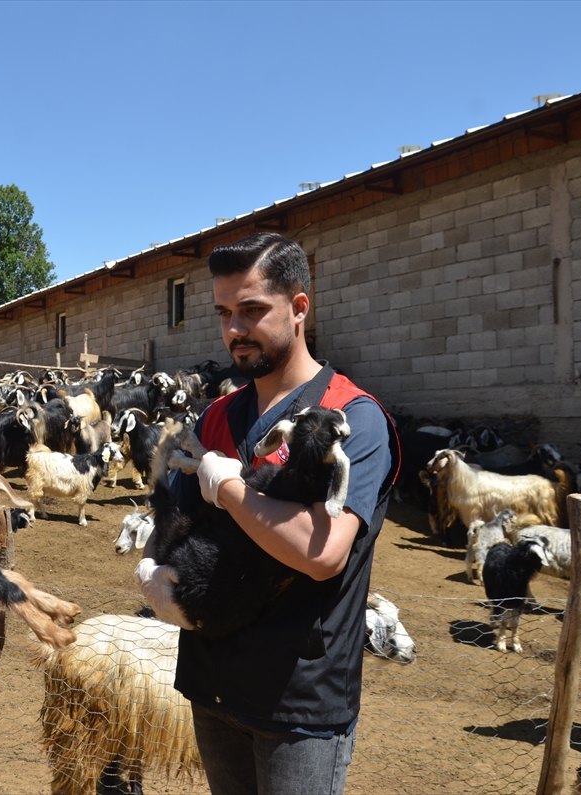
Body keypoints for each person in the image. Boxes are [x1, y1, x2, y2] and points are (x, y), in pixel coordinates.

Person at [136, 232, 399, 795]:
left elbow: (321, 552)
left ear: (299, 307)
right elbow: (176, 519)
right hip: (212, 681)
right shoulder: (216, 417)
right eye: (224, 313)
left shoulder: (348, 420)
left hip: (297, 702)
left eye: (252, 310)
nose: (235, 329)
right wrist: (153, 569)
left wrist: (229, 489)